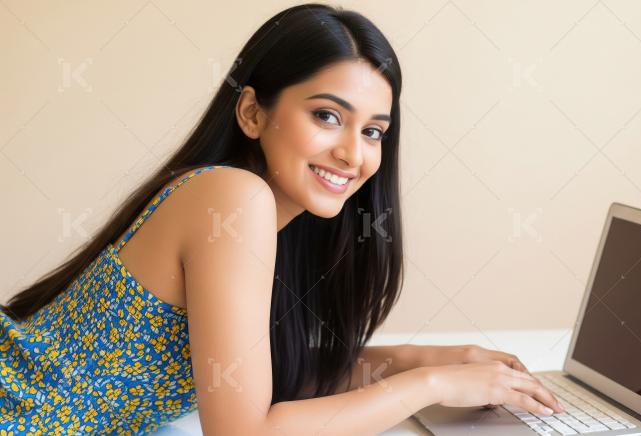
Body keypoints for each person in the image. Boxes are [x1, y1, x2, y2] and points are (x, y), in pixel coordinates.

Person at [0, 3, 563, 434]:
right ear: (251, 112)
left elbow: (259, 381)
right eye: (327, 116)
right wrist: (432, 384)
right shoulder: (232, 198)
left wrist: (426, 359)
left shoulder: (264, 217)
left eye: (373, 131)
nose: (353, 153)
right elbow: (245, 432)